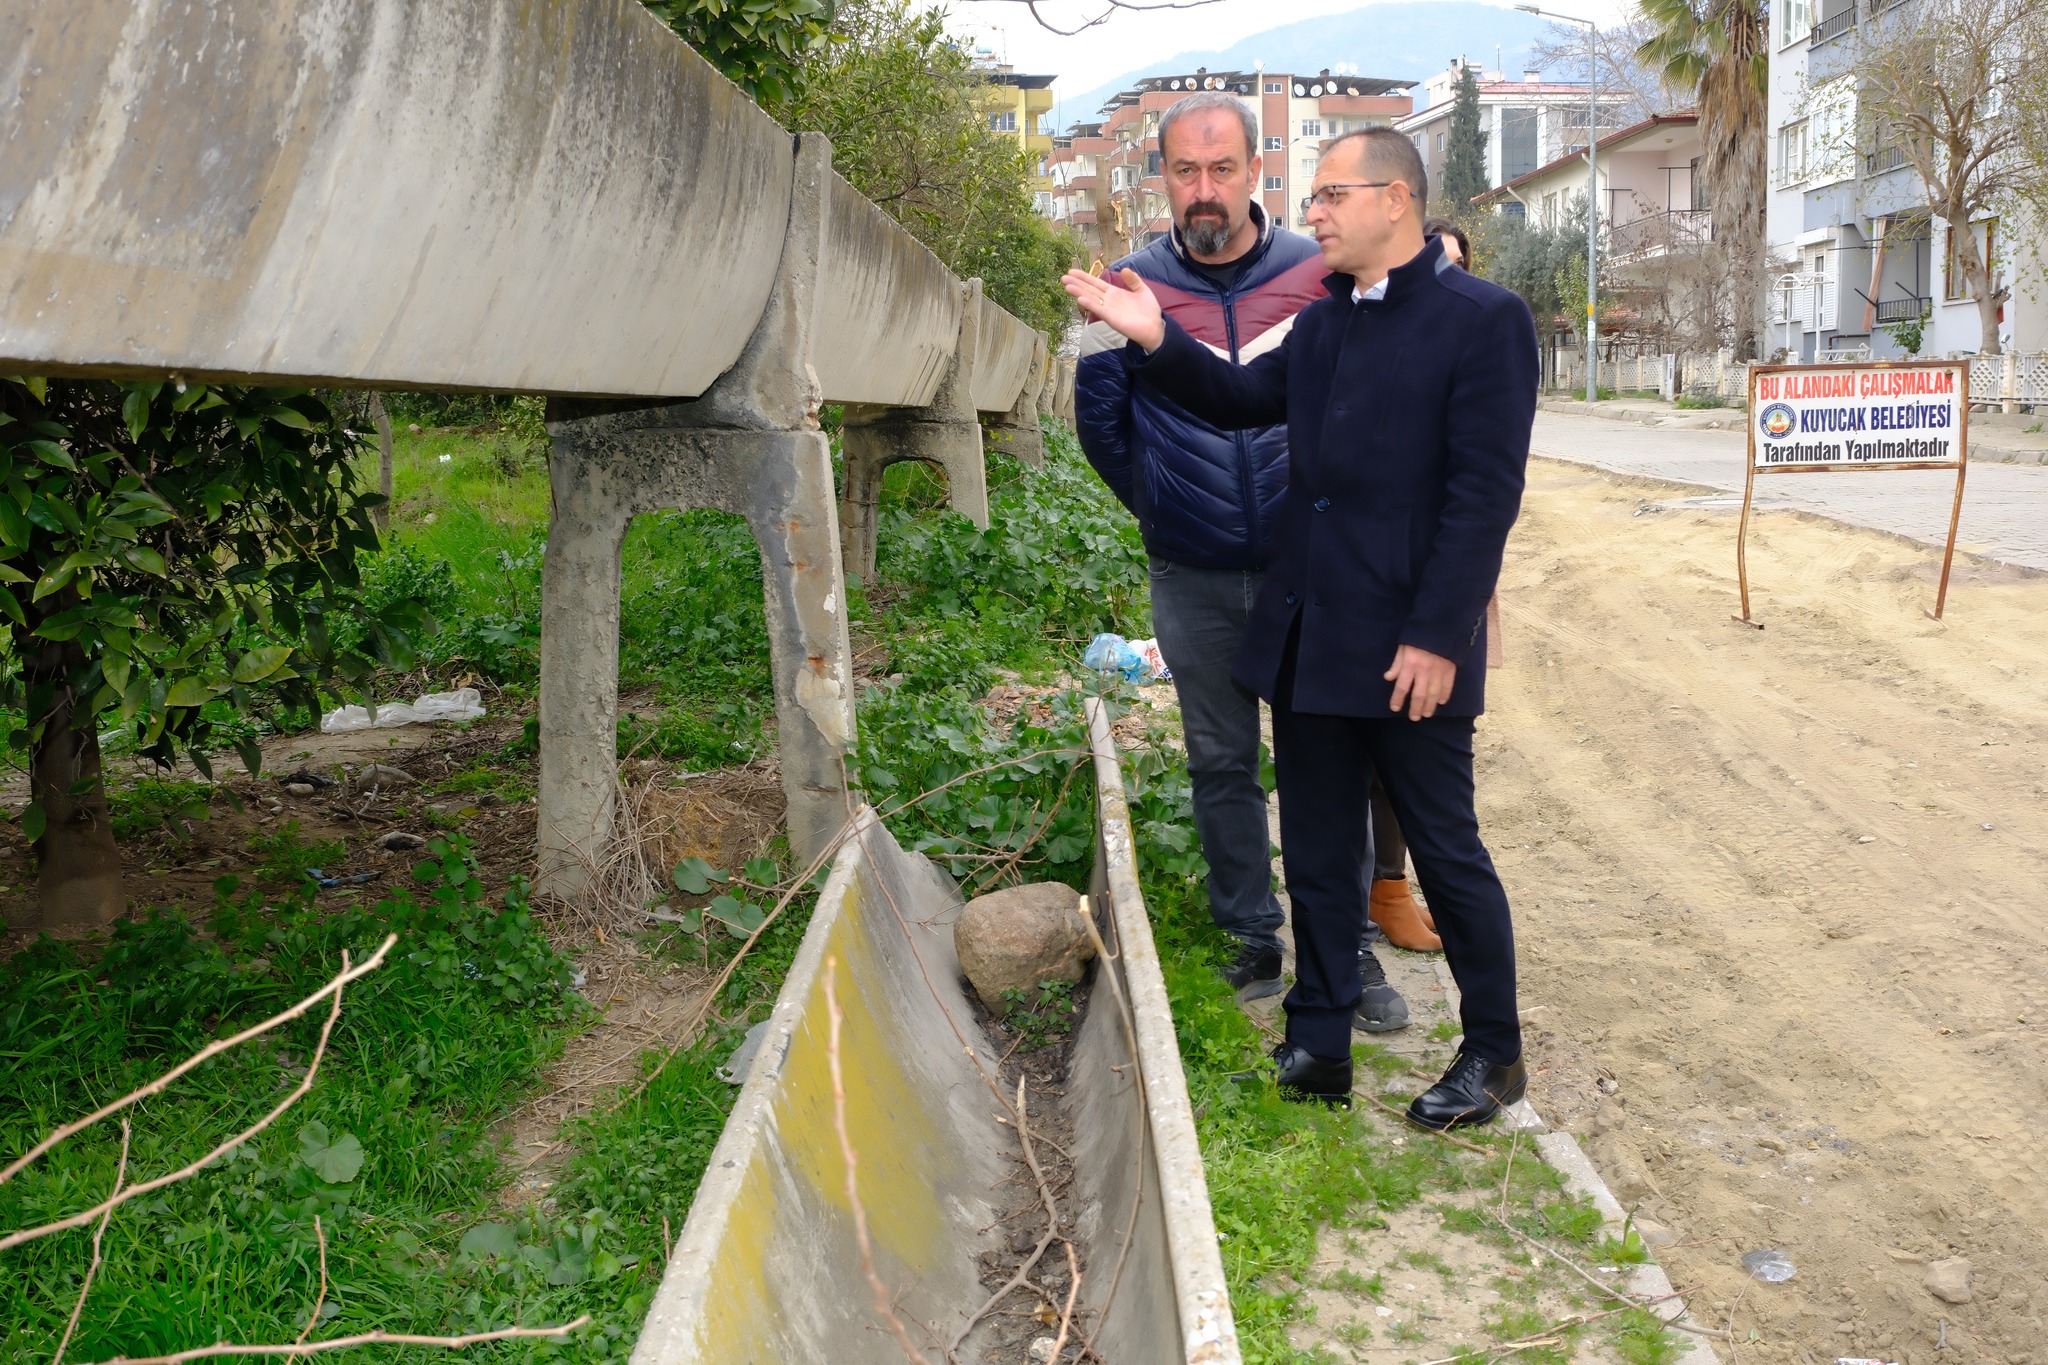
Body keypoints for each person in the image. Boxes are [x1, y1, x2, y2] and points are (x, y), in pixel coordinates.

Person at [1061, 127, 1539, 1130]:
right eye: (1311, 197)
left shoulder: (1481, 322)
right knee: (1318, 844)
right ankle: (1317, 1031)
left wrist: (1435, 636)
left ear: (1394, 202)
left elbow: (1481, 497)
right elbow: (1235, 401)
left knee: (1444, 851)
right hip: (1311, 632)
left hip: (1409, 646)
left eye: (1329, 195)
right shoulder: (1322, 324)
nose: (1309, 213)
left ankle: (1493, 1053)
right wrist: (1151, 335)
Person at [1072, 93, 1410, 1031]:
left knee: (1326, 764)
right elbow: (1100, 422)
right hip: (1196, 575)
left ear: (1256, 172)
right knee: (1221, 762)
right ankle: (1250, 936)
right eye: (1186, 171)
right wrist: (1167, 508)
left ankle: (1342, 947)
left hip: (1313, 574)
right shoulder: (1126, 286)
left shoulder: (1318, 273)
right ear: (1163, 178)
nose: (1205, 189)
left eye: (1223, 169)